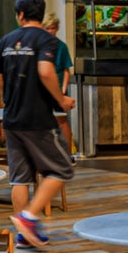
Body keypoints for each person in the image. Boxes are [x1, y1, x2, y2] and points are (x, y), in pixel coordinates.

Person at [0, 0, 75, 249]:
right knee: (62, 168)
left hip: (12, 118)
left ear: (20, 15)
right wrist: (61, 100)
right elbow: (46, 70)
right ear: (40, 14)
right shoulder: (46, 40)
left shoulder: (5, 40)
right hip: (38, 118)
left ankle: (23, 236)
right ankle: (28, 218)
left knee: (20, 178)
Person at [43, 14, 76, 158]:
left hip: (58, 88)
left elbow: (66, 69)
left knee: (62, 120)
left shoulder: (61, 46)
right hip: (43, 89)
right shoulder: (41, 46)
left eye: (53, 28)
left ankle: (67, 154)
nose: (50, 31)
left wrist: (63, 89)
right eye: (48, 28)